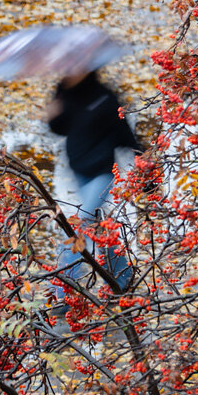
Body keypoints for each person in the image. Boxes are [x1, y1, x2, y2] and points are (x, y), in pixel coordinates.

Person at [45, 70, 139, 296]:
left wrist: (143, 162)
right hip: (80, 171)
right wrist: (53, 116)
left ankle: (61, 291)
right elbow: (61, 128)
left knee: (79, 225)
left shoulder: (104, 97)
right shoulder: (65, 93)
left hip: (103, 174)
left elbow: (125, 135)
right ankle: (122, 281)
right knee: (97, 226)